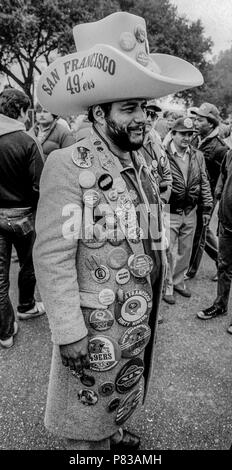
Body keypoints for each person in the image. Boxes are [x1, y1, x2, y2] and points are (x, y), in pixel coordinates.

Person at [33, 11, 203, 450]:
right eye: (129, 109)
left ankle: (116, 432)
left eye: (145, 109)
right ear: (98, 113)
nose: (142, 120)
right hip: (93, 325)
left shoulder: (141, 159)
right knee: (82, 424)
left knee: (120, 396)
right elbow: (51, 254)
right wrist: (68, 331)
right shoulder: (67, 165)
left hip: (133, 317)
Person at [0, 88, 44, 349]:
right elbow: (40, 185)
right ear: (21, 111)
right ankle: (26, 305)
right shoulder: (27, 141)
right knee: (29, 264)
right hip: (25, 215)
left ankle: (5, 331)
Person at [162, 117, 213, 305]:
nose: (187, 138)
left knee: (186, 249)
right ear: (173, 133)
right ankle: (166, 285)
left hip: (190, 211)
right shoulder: (163, 154)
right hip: (169, 211)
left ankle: (178, 281)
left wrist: (207, 207)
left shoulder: (197, 155)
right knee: (167, 250)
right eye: (182, 133)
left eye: (190, 134)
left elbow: (204, 182)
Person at [185, 103, 229, 281]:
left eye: (200, 120)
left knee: (199, 233)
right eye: (195, 119)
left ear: (210, 123)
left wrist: (214, 201)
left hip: (207, 196)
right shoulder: (195, 139)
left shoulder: (221, 149)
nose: (195, 122)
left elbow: (223, 178)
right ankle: (224, 264)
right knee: (204, 232)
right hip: (192, 194)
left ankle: (190, 271)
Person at [197, 148, 232, 331]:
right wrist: (218, 192)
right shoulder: (230, 153)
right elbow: (224, 174)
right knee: (223, 266)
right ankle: (220, 305)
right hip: (227, 222)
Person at [142, 100, 172, 205]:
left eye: (153, 116)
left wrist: (163, 201)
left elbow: (167, 178)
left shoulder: (158, 146)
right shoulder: (126, 146)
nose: (149, 119)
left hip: (157, 207)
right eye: (146, 113)